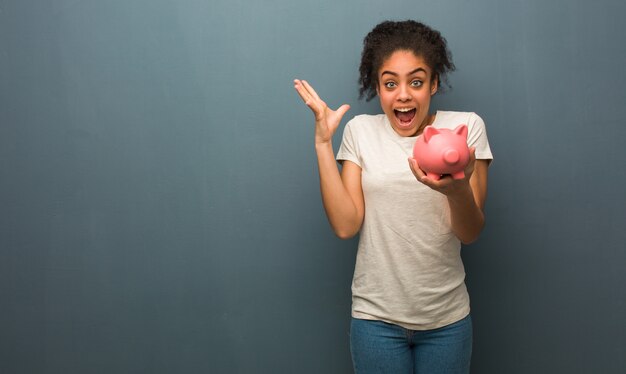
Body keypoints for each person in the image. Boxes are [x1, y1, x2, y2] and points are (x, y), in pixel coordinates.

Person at [294, 20, 492, 374]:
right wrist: (323, 143)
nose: (403, 95)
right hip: (376, 320)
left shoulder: (465, 129)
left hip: (446, 321)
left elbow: (470, 231)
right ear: (378, 88)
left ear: (433, 83)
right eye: (390, 84)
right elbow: (345, 225)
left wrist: (455, 189)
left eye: (416, 82)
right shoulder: (360, 131)